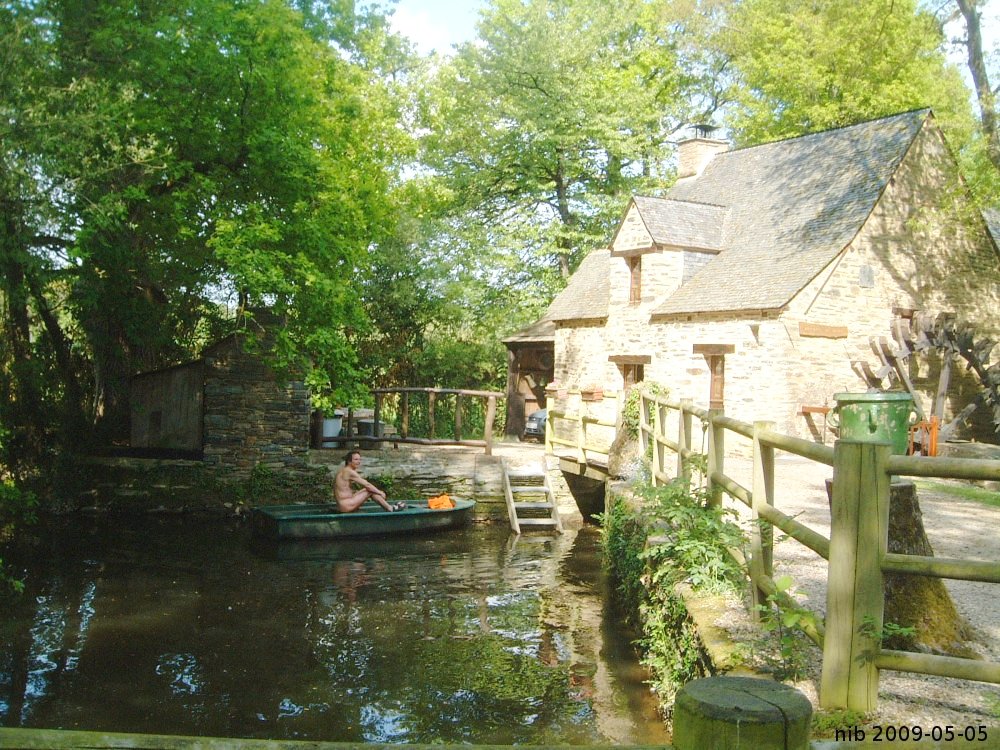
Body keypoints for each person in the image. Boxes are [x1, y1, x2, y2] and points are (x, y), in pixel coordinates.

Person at [334, 450, 405, 513]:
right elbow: (367, 485)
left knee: (367, 490)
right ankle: (390, 508)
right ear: (349, 461)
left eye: (359, 459)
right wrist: (380, 493)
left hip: (345, 503)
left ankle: (389, 506)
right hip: (345, 505)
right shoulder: (349, 471)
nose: (358, 462)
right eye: (356, 459)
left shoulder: (344, 470)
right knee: (369, 490)